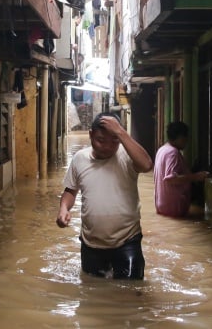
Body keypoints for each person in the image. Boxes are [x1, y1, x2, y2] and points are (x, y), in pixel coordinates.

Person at [56, 113, 153, 279]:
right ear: (91, 135)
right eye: (101, 140)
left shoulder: (128, 156)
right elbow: (70, 191)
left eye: (114, 141)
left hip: (127, 241)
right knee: (93, 294)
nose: (107, 147)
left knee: (131, 293)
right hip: (91, 244)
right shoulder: (80, 159)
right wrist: (64, 208)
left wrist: (121, 132)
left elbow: (147, 165)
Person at [154, 122, 209, 218]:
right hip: (174, 208)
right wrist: (196, 177)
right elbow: (171, 178)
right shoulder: (172, 152)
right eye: (185, 138)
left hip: (162, 206)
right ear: (179, 137)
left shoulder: (162, 149)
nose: (187, 141)